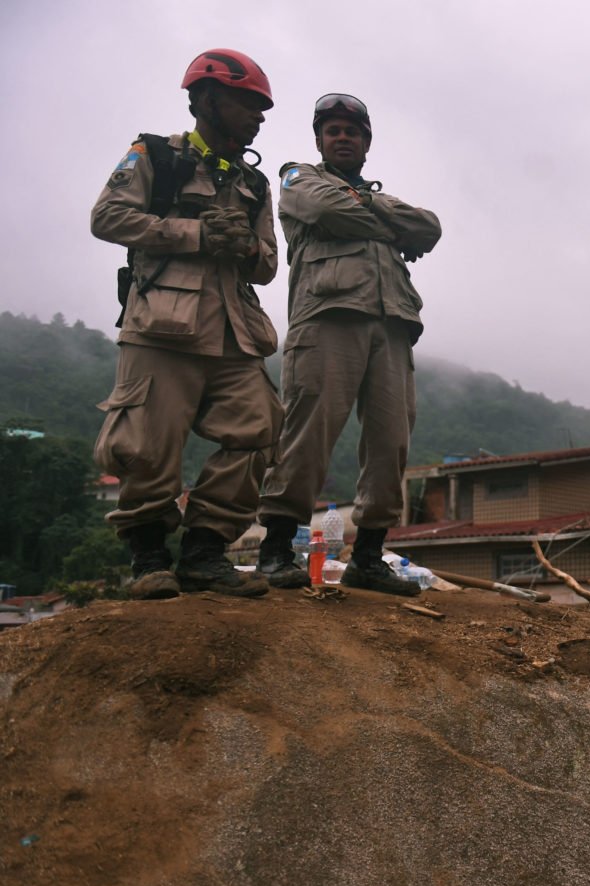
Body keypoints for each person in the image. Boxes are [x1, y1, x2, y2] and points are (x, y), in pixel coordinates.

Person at [91, 48, 282, 600]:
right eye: (248, 104)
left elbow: (268, 265)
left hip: (233, 330)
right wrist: (194, 233)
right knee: (148, 443)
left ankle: (204, 552)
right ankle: (149, 558)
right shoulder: (154, 154)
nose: (258, 117)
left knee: (261, 429)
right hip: (161, 325)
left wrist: (245, 243)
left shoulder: (254, 184)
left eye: (262, 109)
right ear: (207, 100)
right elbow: (107, 217)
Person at [255, 93, 442, 595]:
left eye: (352, 132)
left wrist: (366, 205)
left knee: (391, 440)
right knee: (308, 431)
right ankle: (274, 548)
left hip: (393, 324)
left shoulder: (376, 196)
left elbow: (429, 227)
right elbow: (319, 207)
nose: (343, 138)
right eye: (333, 131)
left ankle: (368, 556)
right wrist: (387, 223)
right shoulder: (299, 178)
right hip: (328, 318)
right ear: (319, 141)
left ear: (366, 144)